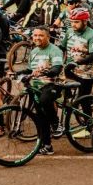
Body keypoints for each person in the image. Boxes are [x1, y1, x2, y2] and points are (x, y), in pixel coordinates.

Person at [22, 26, 66, 155]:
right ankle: (47, 145)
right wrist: (14, 72)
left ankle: (56, 124)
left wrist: (48, 72)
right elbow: (30, 70)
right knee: (40, 116)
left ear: (48, 37)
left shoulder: (54, 50)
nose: (37, 38)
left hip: (53, 84)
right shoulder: (34, 51)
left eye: (40, 35)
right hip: (37, 85)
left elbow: (57, 68)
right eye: (35, 35)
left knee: (45, 100)